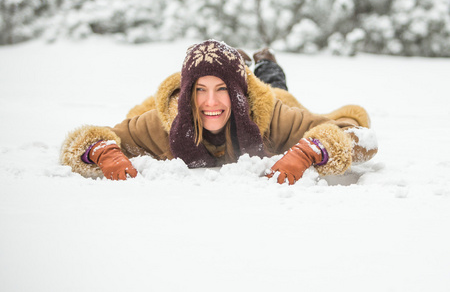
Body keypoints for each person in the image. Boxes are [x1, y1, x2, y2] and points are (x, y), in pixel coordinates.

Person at [60, 39, 377, 185]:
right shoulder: (161, 121)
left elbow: (360, 135)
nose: (210, 102)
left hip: (271, 94)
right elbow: (92, 139)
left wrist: (314, 149)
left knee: (277, 86)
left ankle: (263, 64)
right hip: (170, 99)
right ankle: (234, 60)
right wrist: (102, 151)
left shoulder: (273, 115)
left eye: (223, 88)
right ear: (186, 95)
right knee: (143, 106)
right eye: (200, 90)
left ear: (238, 92)